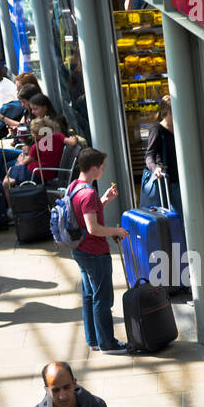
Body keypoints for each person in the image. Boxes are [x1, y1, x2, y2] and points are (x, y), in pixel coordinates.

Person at [68, 148, 129, 355]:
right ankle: (107, 343)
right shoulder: (88, 194)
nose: (103, 170)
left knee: (89, 296)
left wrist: (104, 200)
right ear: (94, 168)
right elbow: (93, 229)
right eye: (102, 167)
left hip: (80, 251)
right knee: (103, 299)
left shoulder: (75, 187)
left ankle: (93, 340)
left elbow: (85, 217)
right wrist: (117, 230)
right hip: (94, 252)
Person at [141, 99, 181, 216]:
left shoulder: (179, 129)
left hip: (178, 180)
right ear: (169, 112)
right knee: (175, 217)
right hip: (165, 182)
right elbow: (149, 154)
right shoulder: (157, 130)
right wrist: (155, 168)